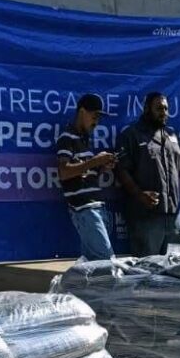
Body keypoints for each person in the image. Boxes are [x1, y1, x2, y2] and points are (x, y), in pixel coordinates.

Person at [115, 92, 180, 256]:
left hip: (173, 217)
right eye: (159, 108)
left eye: (166, 109)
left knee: (176, 265)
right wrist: (139, 195)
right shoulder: (131, 135)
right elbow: (121, 170)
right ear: (147, 109)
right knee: (147, 268)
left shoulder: (172, 135)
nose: (164, 113)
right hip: (145, 218)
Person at [56, 94, 117, 260]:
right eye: (94, 116)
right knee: (106, 262)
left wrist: (102, 167)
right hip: (85, 210)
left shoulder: (85, 140)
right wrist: (94, 161)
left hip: (97, 208)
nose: (96, 122)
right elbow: (64, 172)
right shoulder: (67, 137)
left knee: (93, 266)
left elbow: (84, 175)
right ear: (82, 112)